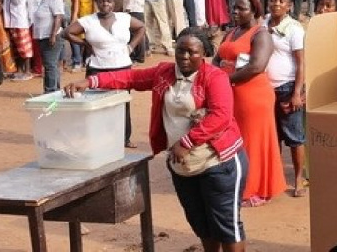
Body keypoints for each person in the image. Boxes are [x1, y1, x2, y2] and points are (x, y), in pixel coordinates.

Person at [64, 27, 248, 252]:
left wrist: (186, 142)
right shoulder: (164, 72)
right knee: (201, 222)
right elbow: (130, 77)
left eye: (192, 52)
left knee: (226, 225)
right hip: (184, 166)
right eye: (181, 50)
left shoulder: (215, 77)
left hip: (219, 162)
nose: (185, 57)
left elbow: (221, 116)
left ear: (204, 53)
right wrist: (92, 82)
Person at [214, 0, 286, 207]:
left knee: (252, 141)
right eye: (233, 8)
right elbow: (219, 57)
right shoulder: (232, 32)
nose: (235, 12)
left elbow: (257, 66)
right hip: (230, 93)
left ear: (254, 10)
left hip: (252, 95)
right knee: (236, 139)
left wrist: (225, 81)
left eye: (241, 8)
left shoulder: (261, 34)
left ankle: (253, 189)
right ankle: (239, 183)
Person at [64, 0, 145, 148]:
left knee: (122, 103)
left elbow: (141, 27)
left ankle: (124, 139)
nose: (105, 4)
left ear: (114, 3)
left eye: (109, 1)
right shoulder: (88, 21)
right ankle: (98, 138)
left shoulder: (123, 18)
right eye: (102, 1)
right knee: (97, 103)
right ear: (97, 3)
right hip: (98, 68)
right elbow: (67, 33)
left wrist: (131, 47)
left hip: (122, 67)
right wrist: (85, 44)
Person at [263, 0, 306, 197]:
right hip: (264, 89)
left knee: (294, 136)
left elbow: (301, 63)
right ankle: (276, 176)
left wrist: (297, 93)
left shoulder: (294, 29)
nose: (276, 4)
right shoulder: (262, 25)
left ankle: (299, 177)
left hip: (287, 87)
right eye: (273, 0)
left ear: (289, 6)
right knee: (274, 136)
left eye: (281, 1)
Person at [32, 0, 65, 93]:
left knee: (50, 65)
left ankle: (50, 91)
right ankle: (54, 89)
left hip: (50, 36)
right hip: (43, 36)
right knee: (51, 65)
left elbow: (58, 17)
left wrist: (53, 35)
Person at [3, 0, 32, 80]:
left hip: (20, 20)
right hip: (11, 20)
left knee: (24, 47)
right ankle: (19, 70)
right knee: (16, 47)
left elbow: (18, 0)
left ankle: (27, 71)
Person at [121, 0, 147, 64]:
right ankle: (137, 55)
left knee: (138, 33)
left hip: (135, 9)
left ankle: (139, 57)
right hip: (133, 8)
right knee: (134, 33)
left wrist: (128, 8)